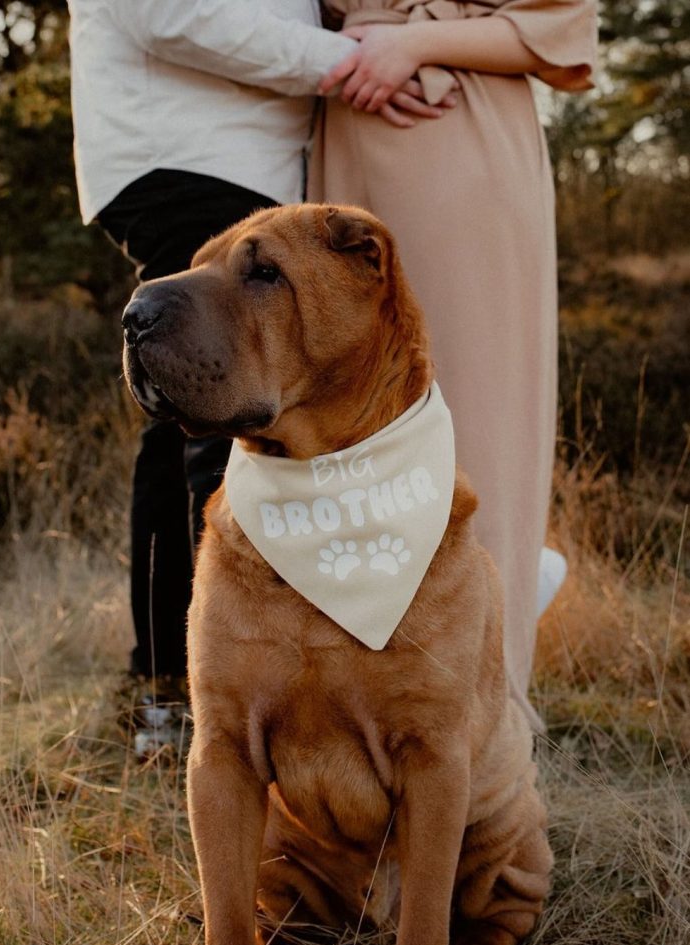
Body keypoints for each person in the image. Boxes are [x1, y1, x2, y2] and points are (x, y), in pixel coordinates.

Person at [66, 1, 441, 740]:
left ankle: (173, 691)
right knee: (215, 423)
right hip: (189, 154)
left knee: (189, 423)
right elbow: (171, 15)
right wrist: (342, 62)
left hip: (231, 156)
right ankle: (216, 702)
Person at [312, 0, 598, 730]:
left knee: (474, 416)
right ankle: (362, 724)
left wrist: (414, 44)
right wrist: (336, 54)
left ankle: (476, 721)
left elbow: (560, 17)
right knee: (348, 429)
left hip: (459, 126)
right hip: (342, 125)